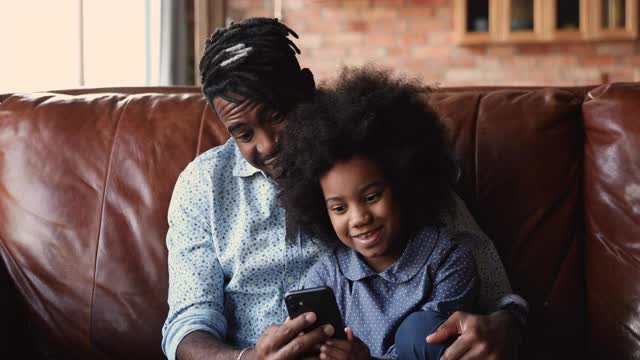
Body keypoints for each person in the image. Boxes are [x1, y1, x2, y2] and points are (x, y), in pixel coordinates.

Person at [161, 17, 528, 360]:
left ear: (306, 88)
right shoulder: (202, 186)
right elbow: (188, 323)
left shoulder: (375, 157)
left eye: (277, 115)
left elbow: (494, 290)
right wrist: (248, 359)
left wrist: (505, 327)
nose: (269, 144)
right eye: (244, 133)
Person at [276, 66, 479, 360]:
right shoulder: (325, 279)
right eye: (339, 208)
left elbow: (437, 349)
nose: (358, 217)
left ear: (404, 183)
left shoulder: (448, 263)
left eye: (371, 197)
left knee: (418, 330)